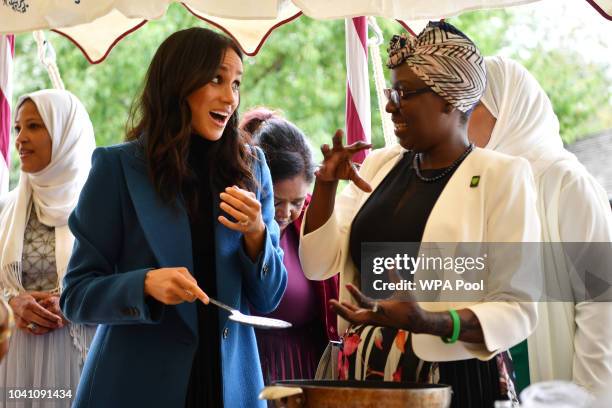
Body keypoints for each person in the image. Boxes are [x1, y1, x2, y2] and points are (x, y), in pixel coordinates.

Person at [299, 22, 541, 407]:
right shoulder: (379, 164)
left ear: (449, 98)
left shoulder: (502, 176)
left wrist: (430, 322)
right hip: (367, 369)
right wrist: (325, 187)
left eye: (404, 93)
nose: (391, 105)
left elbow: (519, 308)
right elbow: (317, 264)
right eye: (390, 92)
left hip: (453, 376)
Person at [59, 28, 286, 408]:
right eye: (216, 79)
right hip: (135, 387)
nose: (230, 98)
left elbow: (268, 299)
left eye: (236, 83)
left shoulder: (252, 168)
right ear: (178, 81)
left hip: (230, 389)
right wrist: (143, 284)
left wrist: (257, 233)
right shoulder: (117, 168)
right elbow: (76, 296)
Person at [468, 56, 612, 394]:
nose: (459, 119)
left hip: (551, 378)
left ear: (508, 110)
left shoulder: (565, 182)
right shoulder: (479, 183)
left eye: (472, 107)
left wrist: (586, 396)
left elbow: (602, 298)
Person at [0, 89, 97, 407]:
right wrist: (12, 302)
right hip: (16, 363)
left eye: (35, 126)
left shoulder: (99, 208)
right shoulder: (6, 210)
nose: (20, 139)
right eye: (17, 128)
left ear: (66, 134)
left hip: (79, 356)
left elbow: (124, 284)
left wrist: (73, 304)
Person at [240, 108, 339, 383]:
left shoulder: (314, 226)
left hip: (305, 374)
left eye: (297, 202)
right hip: (243, 368)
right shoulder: (231, 223)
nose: (285, 213)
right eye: (275, 201)